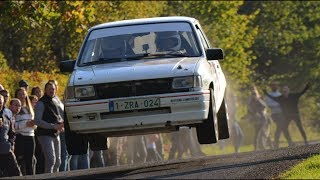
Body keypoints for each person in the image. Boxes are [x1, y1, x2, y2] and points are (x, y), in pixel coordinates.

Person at [34, 82, 64, 173]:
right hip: (44, 134)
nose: (52, 90)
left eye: (53, 89)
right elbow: (37, 121)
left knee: (58, 162)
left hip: (55, 133)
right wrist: (54, 126)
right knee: (51, 160)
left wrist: (61, 125)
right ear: (45, 90)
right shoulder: (41, 103)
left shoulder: (55, 101)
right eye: (49, 89)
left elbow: (57, 117)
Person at [14, 87, 37, 175]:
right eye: (20, 94)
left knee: (30, 162)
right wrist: (25, 124)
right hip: (20, 137)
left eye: (24, 94)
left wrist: (34, 124)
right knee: (19, 162)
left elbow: (35, 125)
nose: (22, 96)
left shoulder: (30, 108)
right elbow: (13, 126)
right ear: (16, 96)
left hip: (31, 137)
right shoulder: (14, 109)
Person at [48, 80, 69, 172]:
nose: (54, 89)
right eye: (51, 87)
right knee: (57, 156)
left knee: (63, 155)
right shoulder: (48, 100)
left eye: (55, 86)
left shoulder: (58, 100)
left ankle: (63, 174)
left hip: (63, 129)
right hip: (55, 130)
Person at [265, 81, 293, 148]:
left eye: (275, 85)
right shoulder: (269, 95)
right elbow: (269, 104)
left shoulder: (279, 94)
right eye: (273, 85)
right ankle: (287, 142)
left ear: (277, 86)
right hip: (275, 114)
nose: (274, 86)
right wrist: (279, 103)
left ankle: (278, 143)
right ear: (270, 86)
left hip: (282, 113)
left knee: (282, 128)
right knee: (281, 127)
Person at [0, 95, 22, 177]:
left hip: (5, 148)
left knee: (16, 173)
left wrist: (11, 143)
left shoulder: (7, 113)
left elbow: (11, 132)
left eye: (1, 103)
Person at [248, 86, 272, 151]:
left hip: (263, 119)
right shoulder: (251, 102)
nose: (254, 95)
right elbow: (250, 110)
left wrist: (260, 112)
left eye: (255, 94)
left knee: (264, 133)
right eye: (253, 94)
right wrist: (253, 114)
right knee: (257, 133)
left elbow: (264, 107)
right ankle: (255, 148)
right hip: (256, 119)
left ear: (257, 94)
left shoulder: (259, 100)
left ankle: (270, 146)